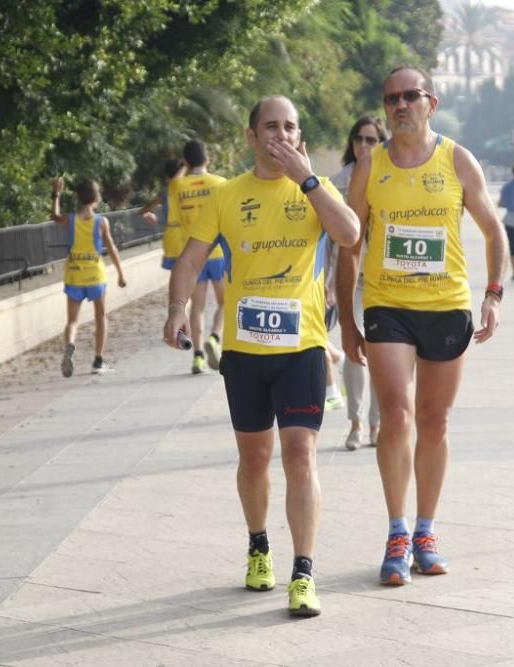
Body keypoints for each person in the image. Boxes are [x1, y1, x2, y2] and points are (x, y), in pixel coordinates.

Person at [163, 96, 359, 616]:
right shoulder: (227, 195)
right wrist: (178, 309)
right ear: (251, 137)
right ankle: (258, 546)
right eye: (270, 127)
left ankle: (304, 572)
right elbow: (190, 258)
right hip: (246, 353)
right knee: (254, 459)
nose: (281, 135)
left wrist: (310, 181)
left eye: (291, 127)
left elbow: (349, 233)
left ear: (299, 136)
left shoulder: (316, 190)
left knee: (301, 455)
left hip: (302, 348)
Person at [337, 65, 507, 586]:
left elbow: (493, 230)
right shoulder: (370, 166)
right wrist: (346, 319)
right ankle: (396, 530)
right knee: (396, 414)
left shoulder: (457, 160)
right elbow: (349, 244)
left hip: (446, 306)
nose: (400, 105)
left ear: (431, 102)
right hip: (388, 305)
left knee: (435, 420)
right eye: (391, 99)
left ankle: (426, 531)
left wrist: (494, 295)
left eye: (411, 96)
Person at [329, 116, 388, 450]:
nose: (364, 146)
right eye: (359, 139)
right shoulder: (336, 183)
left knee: (381, 354)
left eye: (371, 140)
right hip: (349, 277)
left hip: (383, 279)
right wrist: (325, 283)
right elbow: (326, 238)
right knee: (353, 350)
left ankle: (377, 423)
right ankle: (355, 423)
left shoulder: (391, 176)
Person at [51, 177, 127, 376]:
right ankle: (98, 361)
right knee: (101, 317)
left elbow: (55, 215)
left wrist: (56, 194)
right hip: (95, 273)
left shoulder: (70, 219)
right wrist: (120, 273)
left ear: (77, 197)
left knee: (72, 321)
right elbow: (111, 248)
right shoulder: (101, 222)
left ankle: (70, 345)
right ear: (96, 198)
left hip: (74, 273)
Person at [168, 140, 227, 374]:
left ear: (186, 161)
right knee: (225, 302)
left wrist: (184, 167)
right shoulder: (221, 184)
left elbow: (173, 182)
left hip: (193, 255)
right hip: (219, 253)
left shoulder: (177, 187)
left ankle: (198, 356)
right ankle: (215, 337)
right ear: (208, 159)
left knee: (197, 307)